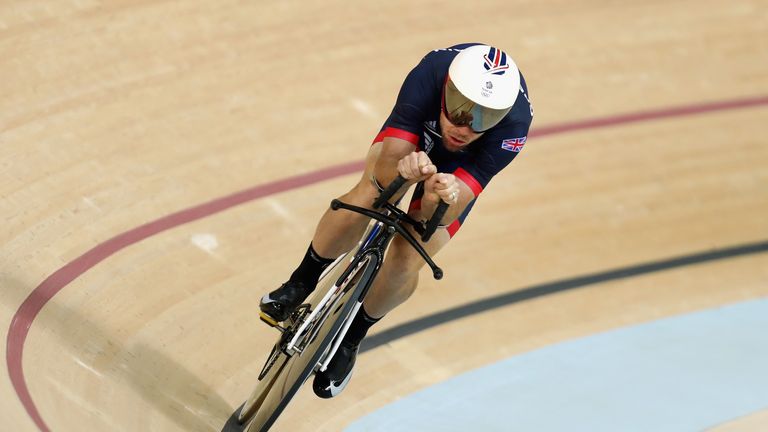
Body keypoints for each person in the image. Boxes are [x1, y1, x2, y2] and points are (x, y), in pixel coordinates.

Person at [259, 43, 534, 398]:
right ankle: (301, 282)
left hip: (457, 173)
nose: (465, 127)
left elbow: (448, 210)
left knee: (411, 252)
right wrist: (403, 172)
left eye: (483, 118)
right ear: (447, 88)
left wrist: (443, 193)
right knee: (373, 191)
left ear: (501, 117)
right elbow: (388, 166)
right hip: (414, 137)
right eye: (461, 109)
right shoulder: (431, 71)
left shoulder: (515, 126)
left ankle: (351, 340)